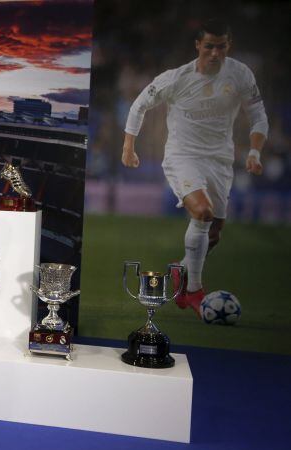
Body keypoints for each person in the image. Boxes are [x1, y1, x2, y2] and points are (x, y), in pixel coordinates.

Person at [121, 18, 268, 317]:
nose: (215, 53)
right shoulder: (176, 78)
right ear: (198, 45)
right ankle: (193, 291)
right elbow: (139, 105)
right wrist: (128, 147)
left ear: (229, 46)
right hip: (182, 157)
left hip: (220, 160)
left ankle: (181, 270)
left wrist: (254, 151)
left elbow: (258, 115)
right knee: (203, 212)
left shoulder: (240, 74)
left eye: (221, 47)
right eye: (210, 46)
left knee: (214, 234)